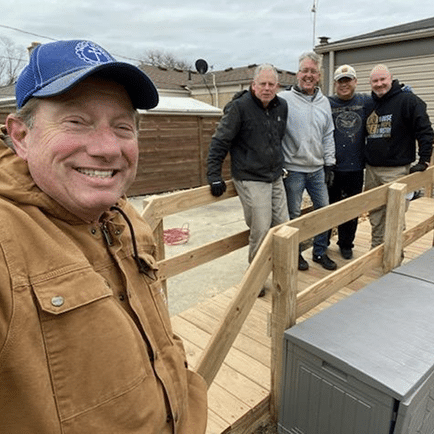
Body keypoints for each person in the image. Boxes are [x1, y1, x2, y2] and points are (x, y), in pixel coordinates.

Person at [0, 40, 207, 434]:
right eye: (76, 121)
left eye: (122, 127)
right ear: (21, 136)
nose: (107, 148)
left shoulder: (126, 217)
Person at [207, 64, 289, 284]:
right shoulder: (239, 108)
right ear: (253, 85)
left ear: (277, 86)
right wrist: (214, 175)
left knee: (283, 226)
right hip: (250, 177)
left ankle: (281, 273)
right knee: (261, 230)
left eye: (271, 84)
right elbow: (220, 141)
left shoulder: (281, 106)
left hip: (274, 176)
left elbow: (277, 140)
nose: (267, 88)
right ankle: (256, 281)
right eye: (262, 83)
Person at [279, 52, 337, 271]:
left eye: (313, 71)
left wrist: (329, 163)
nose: (308, 75)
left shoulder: (324, 102)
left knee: (324, 210)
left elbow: (328, 134)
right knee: (293, 215)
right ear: (297, 73)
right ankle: (294, 254)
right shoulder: (284, 100)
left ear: (319, 75)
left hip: (317, 169)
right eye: (305, 71)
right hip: (292, 170)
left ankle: (320, 252)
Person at [365, 64, 434, 248]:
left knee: (395, 216)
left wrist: (424, 160)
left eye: (383, 79)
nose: (379, 84)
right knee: (376, 214)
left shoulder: (408, 101)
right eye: (375, 81)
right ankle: (376, 250)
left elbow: (425, 132)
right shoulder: (369, 103)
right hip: (372, 170)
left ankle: (394, 256)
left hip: (396, 170)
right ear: (370, 83)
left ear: (391, 79)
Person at [327, 65, 373, 259]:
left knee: (351, 209)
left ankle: (346, 244)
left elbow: (388, 102)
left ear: (355, 81)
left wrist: (404, 93)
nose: (344, 84)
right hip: (331, 167)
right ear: (335, 83)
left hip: (355, 166)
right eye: (340, 81)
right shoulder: (326, 103)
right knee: (328, 208)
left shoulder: (366, 101)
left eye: (348, 80)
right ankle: (322, 244)